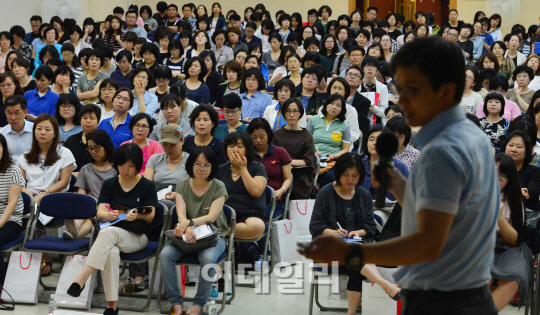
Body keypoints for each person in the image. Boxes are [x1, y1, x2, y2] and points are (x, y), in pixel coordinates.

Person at [301, 36, 503, 315]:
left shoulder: (443, 152)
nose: (401, 99)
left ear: (446, 90)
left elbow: (429, 243)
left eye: (413, 89)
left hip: (444, 300)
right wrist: (399, 186)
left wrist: (354, 254)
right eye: (400, 88)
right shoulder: (471, 137)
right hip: (465, 293)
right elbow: (441, 215)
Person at [67, 143, 158, 315]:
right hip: (112, 233)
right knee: (111, 253)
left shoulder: (147, 185)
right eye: (122, 165)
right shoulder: (110, 184)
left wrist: (136, 214)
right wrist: (108, 215)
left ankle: (82, 277)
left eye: (130, 166)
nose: (125, 170)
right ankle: (112, 306)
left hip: (137, 236)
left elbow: (151, 214)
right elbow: (101, 211)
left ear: (137, 166)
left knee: (107, 233)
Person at [309, 153, 401, 314]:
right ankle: (385, 285)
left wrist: (357, 232)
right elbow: (315, 226)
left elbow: (371, 228)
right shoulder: (326, 193)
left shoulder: (364, 195)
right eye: (346, 175)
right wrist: (333, 232)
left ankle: (351, 312)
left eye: (354, 176)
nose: (350, 179)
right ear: (338, 174)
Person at [160, 146, 228, 315]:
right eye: (198, 164)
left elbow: (211, 217)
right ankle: (176, 302)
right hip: (187, 233)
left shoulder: (218, 187)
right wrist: (187, 226)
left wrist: (188, 223)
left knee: (208, 258)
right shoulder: (182, 185)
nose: (201, 169)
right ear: (191, 165)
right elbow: (181, 212)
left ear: (212, 167)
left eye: (206, 165)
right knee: (165, 255)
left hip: (212, 235)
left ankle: (198, 304)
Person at [19, 114, 76, 276]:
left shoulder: (65, 154)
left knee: (34, 216)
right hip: (30, 198)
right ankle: (22, 257)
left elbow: (64, 182)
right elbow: (20, 183)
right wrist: (26, 192)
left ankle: (44, 257)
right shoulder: (25, 157)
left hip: (55, 198)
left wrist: (45, 193)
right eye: (39, 128)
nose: (42, 132)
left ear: (55, 133)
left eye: (47, 129)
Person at [490, 153, 533, 311]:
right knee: (482, 278)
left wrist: (500, 218)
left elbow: (514, 240)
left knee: (512, 280)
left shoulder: (514, 198)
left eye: (502, 176)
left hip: (509, 249)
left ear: (509, 180)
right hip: (480, 246)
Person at [66, 129, 117, 240]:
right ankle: (74, 231)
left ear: (106, 146)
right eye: (90, 148)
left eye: (97, 148)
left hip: (109, 206)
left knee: (94, 215)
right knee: (87, 210)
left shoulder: (116, 169)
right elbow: (81, 196)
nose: (93, 152)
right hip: (90, 204)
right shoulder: (85, 169)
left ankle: (74, 234)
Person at [217, 131, 266, 242]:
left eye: (239, 146)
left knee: (257, 226)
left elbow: (256, 192)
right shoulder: (221, 169)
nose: (235, 150)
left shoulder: (258, 167)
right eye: (231, 146)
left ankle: (218, 231)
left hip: (250, 214)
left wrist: (243, 169)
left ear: (247, 150)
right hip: (225, 214)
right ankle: (220, 230)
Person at [273, 98, 317, 199]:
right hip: (279, 173)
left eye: (295, 111)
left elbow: (308, 161)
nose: (291, 115)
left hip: (300, 174)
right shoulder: (276, 134)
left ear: (300, 113)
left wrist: (287, 163)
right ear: (284, 113)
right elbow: (272, 157)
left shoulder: (307, 135)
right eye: (288, 111)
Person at [307, 93, 351, 188]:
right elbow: (305, 143)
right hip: (312, 158)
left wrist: (332, 156)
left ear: (342, 110)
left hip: (333, 161)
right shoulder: (313, 120)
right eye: (331, 103)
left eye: (338, 105)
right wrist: (313, 153)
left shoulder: (344, 126)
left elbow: (345, 150)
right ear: (326, 105)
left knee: (329, 176)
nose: (334, 107)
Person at [248, 118, 292, 211]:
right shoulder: (247, 154)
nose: (258, 140)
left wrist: (281, 191)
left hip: (274, 198)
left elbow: (288, 178)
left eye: (261, 136)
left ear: (268, 134)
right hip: (251, 197)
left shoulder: (280, 152)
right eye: (254, 137)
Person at [0, 132, 25, 286]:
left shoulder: (13, 171)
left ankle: (1, 287)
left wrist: (0, 223)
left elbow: (12, 202)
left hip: (10, 221)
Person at [144, 123, 189, 195]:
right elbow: (146, 185)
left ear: (182, 141)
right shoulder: (155, 159)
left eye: (173, 144)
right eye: (165, 144)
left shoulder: (190, 161)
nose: (169, 148)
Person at [502, 130, 540, 211]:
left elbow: (529, 196)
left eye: (519, 146)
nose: (513, 149)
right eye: (511, 145)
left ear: (527, 152)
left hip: (526, 213)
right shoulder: (497, 167)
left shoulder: (534, 171)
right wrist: (517, 192)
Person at [0, 95, 33, 164]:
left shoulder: (35, 131)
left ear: (25, 113)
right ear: (5, 112)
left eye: (17, 113)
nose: (13, 118)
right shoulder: (2, 134)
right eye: (9, 113)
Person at [360, 56, 389, 126]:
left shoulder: (382, 88)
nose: (370, 68)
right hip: (359, 120)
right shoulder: (357, 86)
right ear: (363, 69)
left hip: (377, 123)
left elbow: (384, 112)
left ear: (377, 70)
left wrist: (373, 108)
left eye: (373, 66)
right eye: (367, 66)